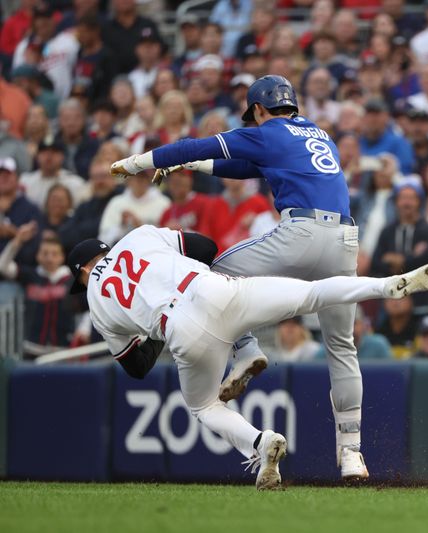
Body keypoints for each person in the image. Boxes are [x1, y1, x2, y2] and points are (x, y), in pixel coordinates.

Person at [111, 75, 386, 481]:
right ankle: (351, 455)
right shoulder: (317, 132)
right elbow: (243, 166)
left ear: (258, 109)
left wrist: (139, 162)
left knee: (213, 277)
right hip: (344, 239)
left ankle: (246, 350)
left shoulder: (269, 131)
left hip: (301, 234)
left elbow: (196, 145)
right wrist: (187, 165)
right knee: (341, 346)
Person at [67, 224, 428, 489]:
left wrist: (150, 330)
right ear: (105, 248)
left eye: (78, 279)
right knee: (312, 295)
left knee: (203, 406)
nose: (82, 285)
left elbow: (136, 367)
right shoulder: (138, 238)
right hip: (216, 290)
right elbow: (204, 247)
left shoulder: (96, 304)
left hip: (180, 330)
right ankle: (386, 285)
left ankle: (260, 441)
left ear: (85, 270)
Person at [0, 222, 76, 350]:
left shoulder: (71, 280)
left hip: (63, 349)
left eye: (54, 254)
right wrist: (17, 240)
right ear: (37, 256)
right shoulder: (31, 275)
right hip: (32, 347)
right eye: (45, 253)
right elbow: (3, 267)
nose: (49, 258)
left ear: (62, 257)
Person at [370, 177, 428, 309]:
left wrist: (400, 261)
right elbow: (375, 263)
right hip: (391, 297)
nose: (407, 203)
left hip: (420, 298)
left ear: (419, 202)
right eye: (403, 198)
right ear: (396, 202)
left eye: (412, 198)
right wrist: (411, 259)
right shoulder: (388, 231)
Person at [19, 139, 88, 210]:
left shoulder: (75, 183)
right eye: (44, 152)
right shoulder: (25, 181)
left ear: (62, 157)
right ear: (37, 156)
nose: (49, 156)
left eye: (54, 152)